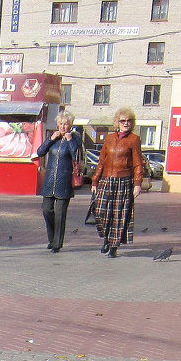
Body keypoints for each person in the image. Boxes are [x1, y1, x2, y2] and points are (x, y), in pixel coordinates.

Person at [90, 107, 145, 258]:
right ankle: (106, 238)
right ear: (117, 122)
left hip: (124, 180)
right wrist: (95, 181)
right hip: (107, 179)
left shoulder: (134, 139)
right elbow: (101, 161)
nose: (126, 123)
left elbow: (138, 163)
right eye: (123, 121)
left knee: (118, 215)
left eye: (129, 121)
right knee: (100, 211)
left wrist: (137, 183)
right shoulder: (109, 138)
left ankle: (113, 245)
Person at [36, 111, 82, 254]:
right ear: (57, 125)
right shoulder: (53, 138)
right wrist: (50, 139)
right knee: (46, 210)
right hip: (50, 181)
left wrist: (69, 141)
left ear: (71, 125)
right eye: (61, 124)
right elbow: (40, 152)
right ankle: (51, 238)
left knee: (60, 213)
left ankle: (57, 243)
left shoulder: (75, 138)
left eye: (66, 123)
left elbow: (77, 156)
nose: (63, 126)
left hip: (64, 181)